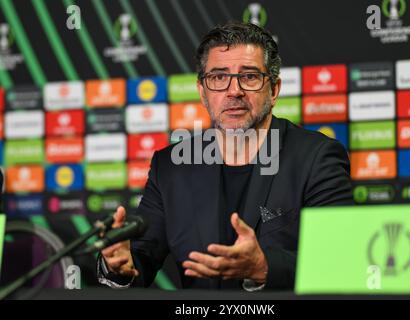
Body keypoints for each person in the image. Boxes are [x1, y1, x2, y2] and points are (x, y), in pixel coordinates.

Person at [97, 21, 353, 291]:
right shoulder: (171, 166)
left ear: (274, 90)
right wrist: (119, 265)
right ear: (202, 92)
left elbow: (341, 261)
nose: (234, 91)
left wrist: (264, 267)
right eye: (219, 77)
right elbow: (140, 258)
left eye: (250, 76)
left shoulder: (316, 158)